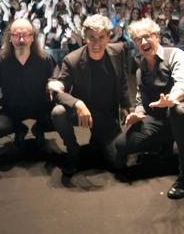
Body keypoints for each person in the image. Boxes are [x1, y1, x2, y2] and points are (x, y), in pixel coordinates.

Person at [115, 18, 184, 199]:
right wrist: (137, 114)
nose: (143, 42)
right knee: (121, 145)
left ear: (157, 37)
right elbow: (140, 99)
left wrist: (172, 99)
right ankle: (165, 143)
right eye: (137, 39)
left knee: (177, 111)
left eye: (147, 36)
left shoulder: (175, 55)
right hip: (161, 118)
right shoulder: (140, 69)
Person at [48, 14, 131, 175]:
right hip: (80, 112)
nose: (96, 43)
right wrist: (77, 104)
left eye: (101, 37)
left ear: (108, 37)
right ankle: (73, 149)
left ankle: (98, 140)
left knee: (118, 164)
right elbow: (57, 92)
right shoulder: (71, 60)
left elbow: (122, 80)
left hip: (106, 114)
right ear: (84, 37)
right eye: (92, 37)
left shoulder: (118, 51)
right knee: (58, 112)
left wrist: (125, 105)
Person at [0, 18, 56, 148]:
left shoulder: (45, 59)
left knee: (59, 118)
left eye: (26, 35)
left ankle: (39, 129)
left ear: (33, 37)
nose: (22, 40)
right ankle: (20, 129)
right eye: (17, 35)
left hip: (40, 107)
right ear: (10, 38)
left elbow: (54, 83)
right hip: (13, 109)